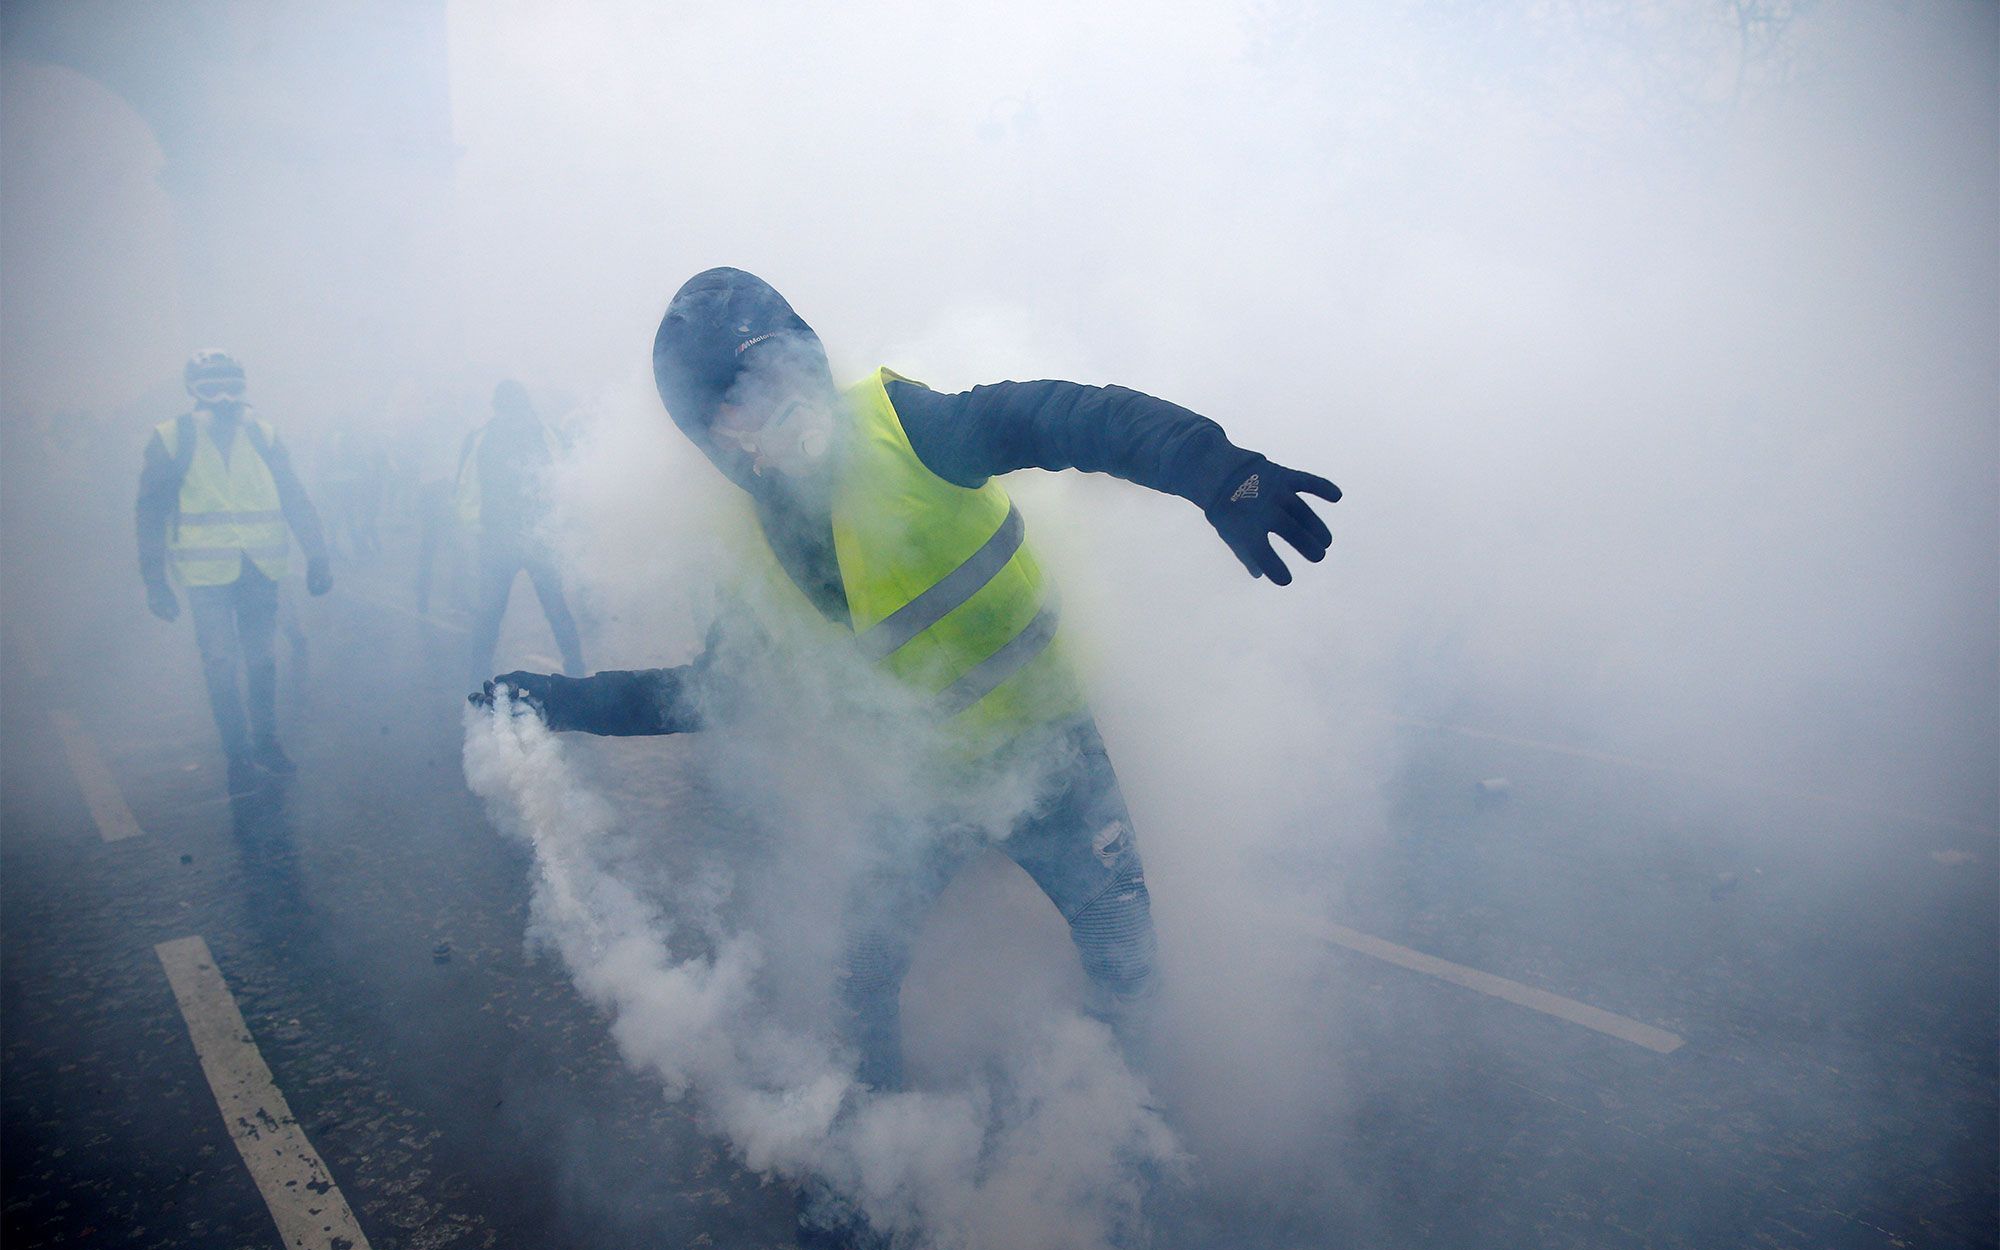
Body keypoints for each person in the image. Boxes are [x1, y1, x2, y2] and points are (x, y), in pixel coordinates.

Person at [473, 268, 1340, 1090]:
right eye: (727, 407)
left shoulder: (909, 426)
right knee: (863, 979)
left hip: (1054, 757)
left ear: (806, 359)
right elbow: (714, 694)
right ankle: (878, 1183)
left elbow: (1072, 419)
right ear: (712, 441)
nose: (763, 413)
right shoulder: (752, 556)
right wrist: (559, 702)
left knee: (1124, 951)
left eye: (771, 374)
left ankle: (1141, 1137)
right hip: (918, 791)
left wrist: (1216, 471)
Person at [137, 349, 332, 794]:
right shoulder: (172, 438)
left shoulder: (262, 434)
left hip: (261, 568)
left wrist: (317, 555)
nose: (224, 399)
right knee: (221, 664)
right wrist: (154, 580)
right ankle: (237, 755)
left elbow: (293, 495)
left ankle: (266, 743)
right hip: (206, 577)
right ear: (194, 391)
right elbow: (149, 512)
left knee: (262, 661)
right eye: (212, 388)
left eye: (232, 387)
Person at [458, 379, 585, 679]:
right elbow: (568, 483)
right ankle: (577, 669)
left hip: (497, 541)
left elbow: (465, 492)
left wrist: (481, 527)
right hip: (537, 539)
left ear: (496, 405)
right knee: (557, 609)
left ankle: (478, 676)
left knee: (489, 613)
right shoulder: (548, 434)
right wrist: (559, 525)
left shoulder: (481, 438)